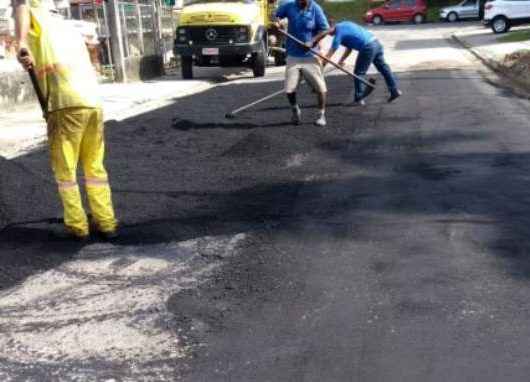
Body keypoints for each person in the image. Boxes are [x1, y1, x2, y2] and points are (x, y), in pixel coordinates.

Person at [13, 0, 118, 240]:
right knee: (94, 168)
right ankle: (106, 222)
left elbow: (20, 5)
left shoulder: (36, 19)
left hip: (64, 104)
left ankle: (77, 226)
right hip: (92, 104)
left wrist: (20, 43)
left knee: (66, 171)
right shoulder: (68, 26)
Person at [313, 19, 402, 105]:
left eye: (327, 31)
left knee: (358, 73)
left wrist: (321, 67)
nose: (328, 34)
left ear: (331, 27)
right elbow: (349, 48)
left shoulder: (338, 34)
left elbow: (330, 54)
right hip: (376, 43)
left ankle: (359, 97)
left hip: (367, 47)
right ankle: (394, 90)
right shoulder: (345, 24)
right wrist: (341, 61)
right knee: (383, 68)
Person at [274, 0, 329, 127]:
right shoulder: (289, 6)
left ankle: (321, 115)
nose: (300, 1)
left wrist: (313, 41)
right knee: (289, 89)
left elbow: (325, 29)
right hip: (293, 55)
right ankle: (295, 110)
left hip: (310, 56)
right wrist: (277, 22)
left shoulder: (316, 9)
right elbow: (276, 15)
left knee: (320, 88)